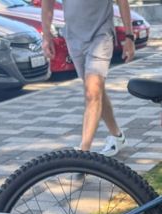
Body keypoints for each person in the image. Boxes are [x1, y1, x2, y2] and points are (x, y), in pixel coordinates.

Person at [42, 0, 135, 156]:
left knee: (92, 92)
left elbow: (122, 2)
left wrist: (129, 36)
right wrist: (46, 36)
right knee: (95, 92)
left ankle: (84, 152)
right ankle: (118, 137)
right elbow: (47, 4)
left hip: (101, 35)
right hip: (73, 38)